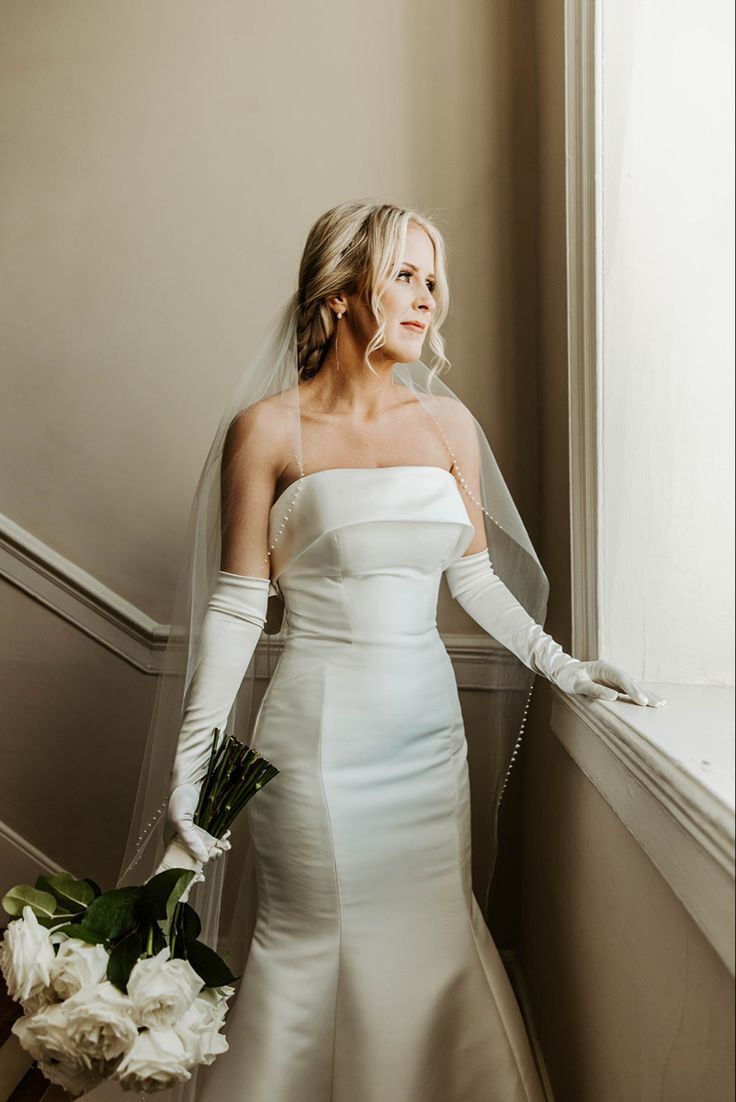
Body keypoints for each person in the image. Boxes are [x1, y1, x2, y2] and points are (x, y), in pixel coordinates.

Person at [83, 200, 664, 1102]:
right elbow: (239, 610)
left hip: (428, 744)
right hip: (314, 746)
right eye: (406, 275)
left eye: (435, 279)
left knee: (429, 942)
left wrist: (570, 670)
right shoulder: (268, 431)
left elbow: (472, 583)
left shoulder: (448, 428)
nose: (429, 297)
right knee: (311, 944)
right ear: (344, 288)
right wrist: (190, 769)